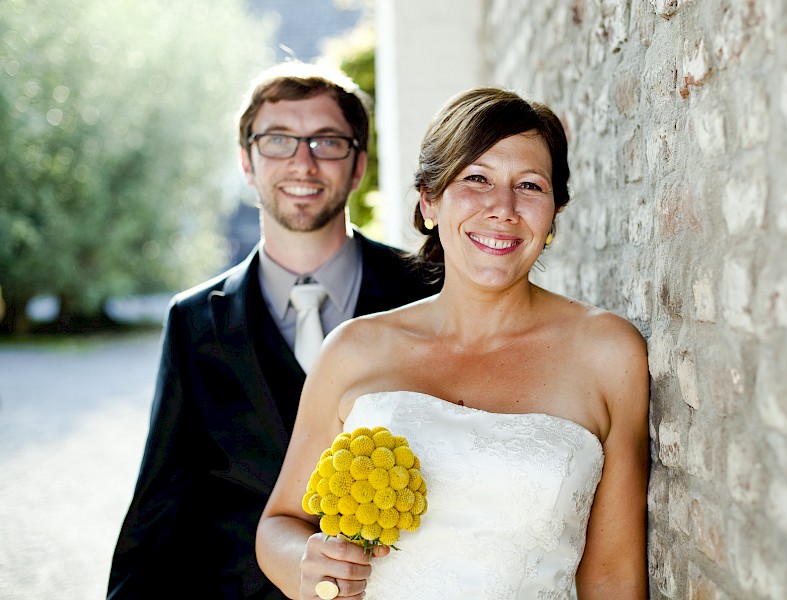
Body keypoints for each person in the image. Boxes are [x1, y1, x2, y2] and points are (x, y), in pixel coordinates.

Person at [256, 87, 650, 599]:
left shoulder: (609, 354)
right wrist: (308, 567)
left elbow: (613, 577)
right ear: (430, 200)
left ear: (555, 212)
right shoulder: (353, 350)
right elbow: (280, 523)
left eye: (529, 185)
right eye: (477, 179)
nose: (503, 208)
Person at [108, 61, 439, 599]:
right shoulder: (195, 322)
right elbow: (161, 505)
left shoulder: (430, 289)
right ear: (247, 161)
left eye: (327, 142)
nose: (303, 163)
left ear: (358, 166)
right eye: (279, 140)